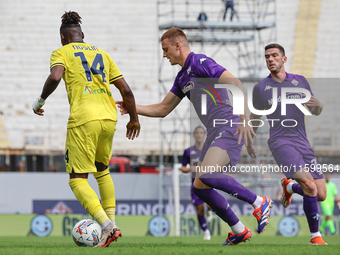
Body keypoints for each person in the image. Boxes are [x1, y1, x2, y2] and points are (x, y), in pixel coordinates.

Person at [117, 28, 272, 246]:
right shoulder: (182, 78)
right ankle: (238, 229)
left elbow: (234, 83)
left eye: (165, 49)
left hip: (228, 125)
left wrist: (245, 117)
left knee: (207, 176)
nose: (164, 55)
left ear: (177, 45)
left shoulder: (199, 61)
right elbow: (163, 108)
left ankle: (258, 201)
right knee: (199, 187)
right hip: (214, 131)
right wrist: (132, 108)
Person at [32, 11, 140, 248]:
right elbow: (127, 90)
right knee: (102, 171)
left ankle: (107, 226)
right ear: (83, 35)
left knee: (77, 180)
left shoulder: (61, 52)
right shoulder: (102, 53)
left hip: (84, 119)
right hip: (109, 118)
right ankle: (111, 226)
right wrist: (133, 119)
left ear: (63, 37)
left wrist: (39, 101)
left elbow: (55, 77)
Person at [247, 43, 327, 245]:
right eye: (267, 57)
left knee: (321, 194)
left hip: (302, 141)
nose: (270, 59)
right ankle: (315, 237)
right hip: (280, 142)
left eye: (274, 55)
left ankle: (289, 187)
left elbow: (315, 110)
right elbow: (255, 117)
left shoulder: (300, 81)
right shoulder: (261, 88)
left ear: (284, 59)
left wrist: (319, 105)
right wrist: (249, 140)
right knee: (309, 185)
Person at [180, 126, 212, 240]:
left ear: (204, 135)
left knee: (210, 205)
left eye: (201, 132)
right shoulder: (188, 151)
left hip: (208, 183)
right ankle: (206, 231)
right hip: (195, 184)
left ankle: (209, 210)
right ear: (194, 135)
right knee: (199, 209)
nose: (199, 135)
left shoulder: (210, 150)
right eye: (197, 133)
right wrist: (190, 170)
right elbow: (182, 168)